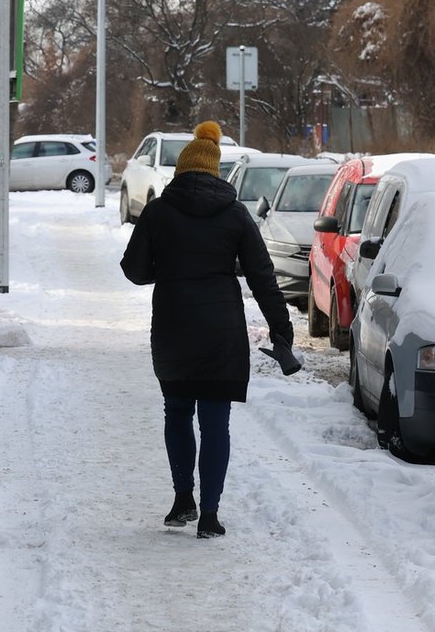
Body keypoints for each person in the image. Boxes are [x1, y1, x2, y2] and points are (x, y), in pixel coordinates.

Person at [120, 120, 301, 540]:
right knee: (216, 423)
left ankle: (184, 498)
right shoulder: (236, 215)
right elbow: (263, 277)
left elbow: (133, 270)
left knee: (178, 413)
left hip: (172, 327)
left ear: (181, 170)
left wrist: (166, 272)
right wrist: (282, 332)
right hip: (222, 332)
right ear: (217, 172)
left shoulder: (159, 211)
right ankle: (210, 516)